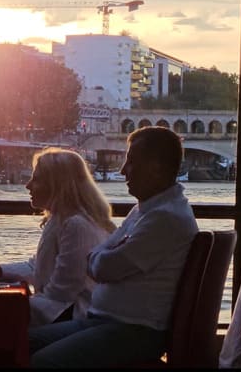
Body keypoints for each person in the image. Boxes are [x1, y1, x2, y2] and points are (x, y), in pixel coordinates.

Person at [28, 126, 199, 368]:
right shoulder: (146, 210)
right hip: (109, 322)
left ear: (156, 168)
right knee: (20, 341)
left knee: (44, 361)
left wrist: (99, 257)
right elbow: (103, 257)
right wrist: (101, 257)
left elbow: (104, 269)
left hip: (134, 331)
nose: (123, 170)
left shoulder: (165, 219)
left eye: (131, 162)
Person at [0, 148, 115, 326]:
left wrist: (5, 307)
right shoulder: (64, 220)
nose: (28, 185)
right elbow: (38, 267)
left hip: (70, 318)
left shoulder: (75, 226)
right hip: (62, 312)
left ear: (57, 185)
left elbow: (61, 294)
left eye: (36, 179)